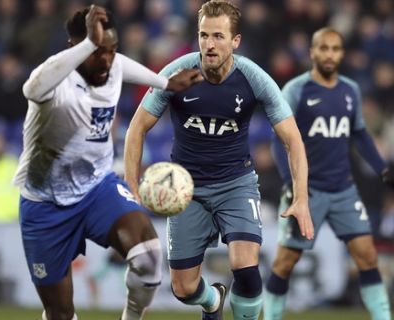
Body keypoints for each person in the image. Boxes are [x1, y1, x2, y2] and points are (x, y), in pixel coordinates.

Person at [123, 1, 314, 320]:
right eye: (203, 35)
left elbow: (293, 139)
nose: (209, 44)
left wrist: (303, 197)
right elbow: (136, 128)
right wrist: (131, 185)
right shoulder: (176, 75)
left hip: (235, 184)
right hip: (185, 192)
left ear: (235, 41)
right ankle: (212, 300)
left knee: (245, 264)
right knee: (183, 289)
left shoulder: (254, 78)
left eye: (218, 36)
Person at [13, 5, 202, 320]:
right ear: (76, 47)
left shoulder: (111, 64)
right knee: (59, 313)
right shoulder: (56, 81)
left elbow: (120, 63)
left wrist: (165, 83)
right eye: (97, 51)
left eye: (111, 50)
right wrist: (91, 43)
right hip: (45, 205)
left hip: (96, 187)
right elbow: (30, 87)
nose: (107, 59)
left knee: (149, 258)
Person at [264, 27, 394, 320]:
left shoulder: (350, 90)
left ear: (342, 54)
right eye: (324, 48)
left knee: (368, 256)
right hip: (307, 193)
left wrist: (382, 169)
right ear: (312, 52)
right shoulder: (296, 90)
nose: (330, 54)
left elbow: (359, 133)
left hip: (343, 189)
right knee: (285, 262)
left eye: (335, 49)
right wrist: (292, 184)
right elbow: (278, 140)